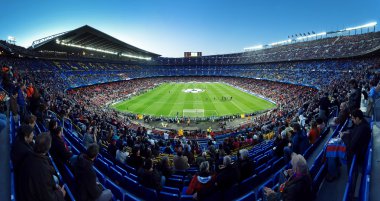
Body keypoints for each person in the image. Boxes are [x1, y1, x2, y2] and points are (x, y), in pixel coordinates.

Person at [18, 133, 66, 201]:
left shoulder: (28, 155)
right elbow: (47, 197)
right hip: (31, 196)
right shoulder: (43, 170)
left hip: (27, 190)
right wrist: (60, 194)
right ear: (49, 146)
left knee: (55, 180)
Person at [10, 125, 35, 200]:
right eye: (31, 134)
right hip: (24, 182)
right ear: (26, 136)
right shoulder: (26, 152)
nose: (33, 135)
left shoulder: (18, 140)